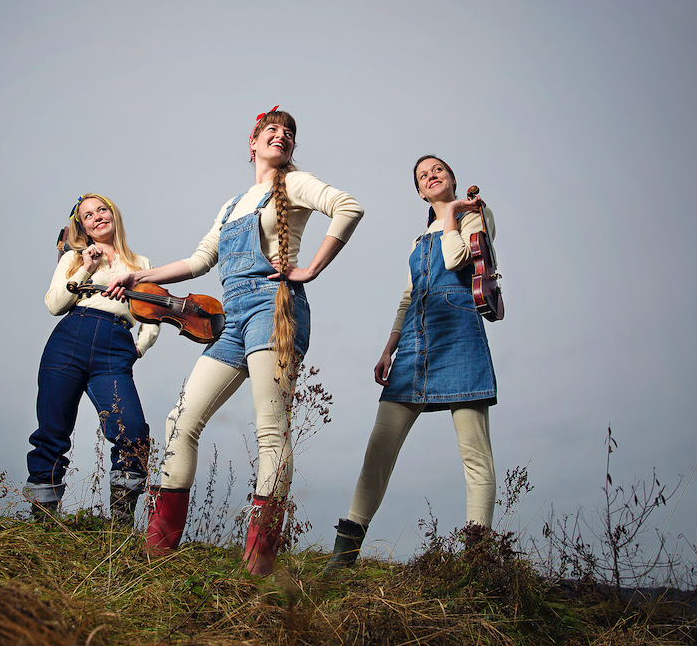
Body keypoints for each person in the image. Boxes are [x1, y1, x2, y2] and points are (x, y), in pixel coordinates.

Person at [105, 107, 363, 575]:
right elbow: (200, 260)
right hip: (231, 315)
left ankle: (258, 565)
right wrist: (138, 276)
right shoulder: (232, 204)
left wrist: (308, 270)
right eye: (271, 130)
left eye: (288, 133)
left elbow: (349, 207)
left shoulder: (296, 184)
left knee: (270, 432)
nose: (281, 137)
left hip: (274, 307)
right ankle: (158, 552)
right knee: (179, 421)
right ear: (252, 142)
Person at [324, 155, 498, 570]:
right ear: (420, 191)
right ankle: (344, 554)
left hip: (458, 335)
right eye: (423, 175)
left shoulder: (476, 214)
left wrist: (452, 214)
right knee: (379, 447)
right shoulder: (418, 242)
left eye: (438, 170)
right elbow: (408, 297)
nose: (431, 176)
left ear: (452, 179)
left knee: (475, 453)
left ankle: (476, 558)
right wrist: (389, 347)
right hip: (415, 345)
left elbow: (457, 260)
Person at [24, 193, 160, 526]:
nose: (97, 216)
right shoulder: (74, 258)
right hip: (68, 341)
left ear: (114, 214)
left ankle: (119, 523)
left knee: (134, 433)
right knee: (52, 431)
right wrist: (86, 267)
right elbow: (55, 305)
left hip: (115, 347)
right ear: (82, 226)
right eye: (88, 215)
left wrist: (138, 347)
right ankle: (42, 521)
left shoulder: (141, 264)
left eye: (102, 209)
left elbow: (152, 317)